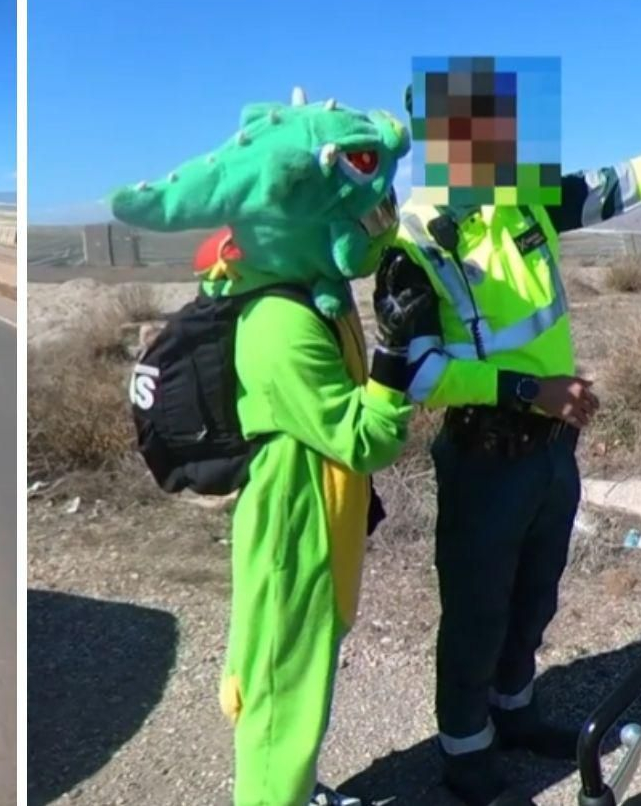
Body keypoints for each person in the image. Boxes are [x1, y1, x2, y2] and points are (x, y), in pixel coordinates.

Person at [379, 56, 641, 806]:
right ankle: (465, 753)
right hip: (483, 457)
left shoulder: (521, 203)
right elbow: (411, 373)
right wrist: (528, 390)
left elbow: (626, 182)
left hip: (550, 455)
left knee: (535, 598)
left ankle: (515, 711)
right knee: (476, 611)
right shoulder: (414, 247)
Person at [115, 87, 435, 806]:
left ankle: (290, 789)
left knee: (296, 676)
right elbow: (365, 438)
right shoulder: (280, 326)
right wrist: (391, 356)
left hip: (319, 515)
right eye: (367, 211)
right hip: (298, 528)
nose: (379, 226)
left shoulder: (313, 295)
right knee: (281, 692)